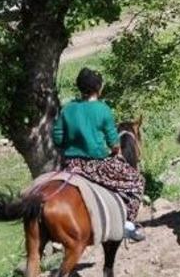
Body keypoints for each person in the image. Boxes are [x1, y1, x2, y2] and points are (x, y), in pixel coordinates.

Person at [52, 68, 146, 242]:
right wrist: (115, 150)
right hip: (97, 165)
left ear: (79, 88)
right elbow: (114, 142)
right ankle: (127, 224)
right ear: (99, 88)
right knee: (137, 182)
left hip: (71, 164)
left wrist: (69, 147)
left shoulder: (67, 109)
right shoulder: (102, 109)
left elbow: (57, 138)